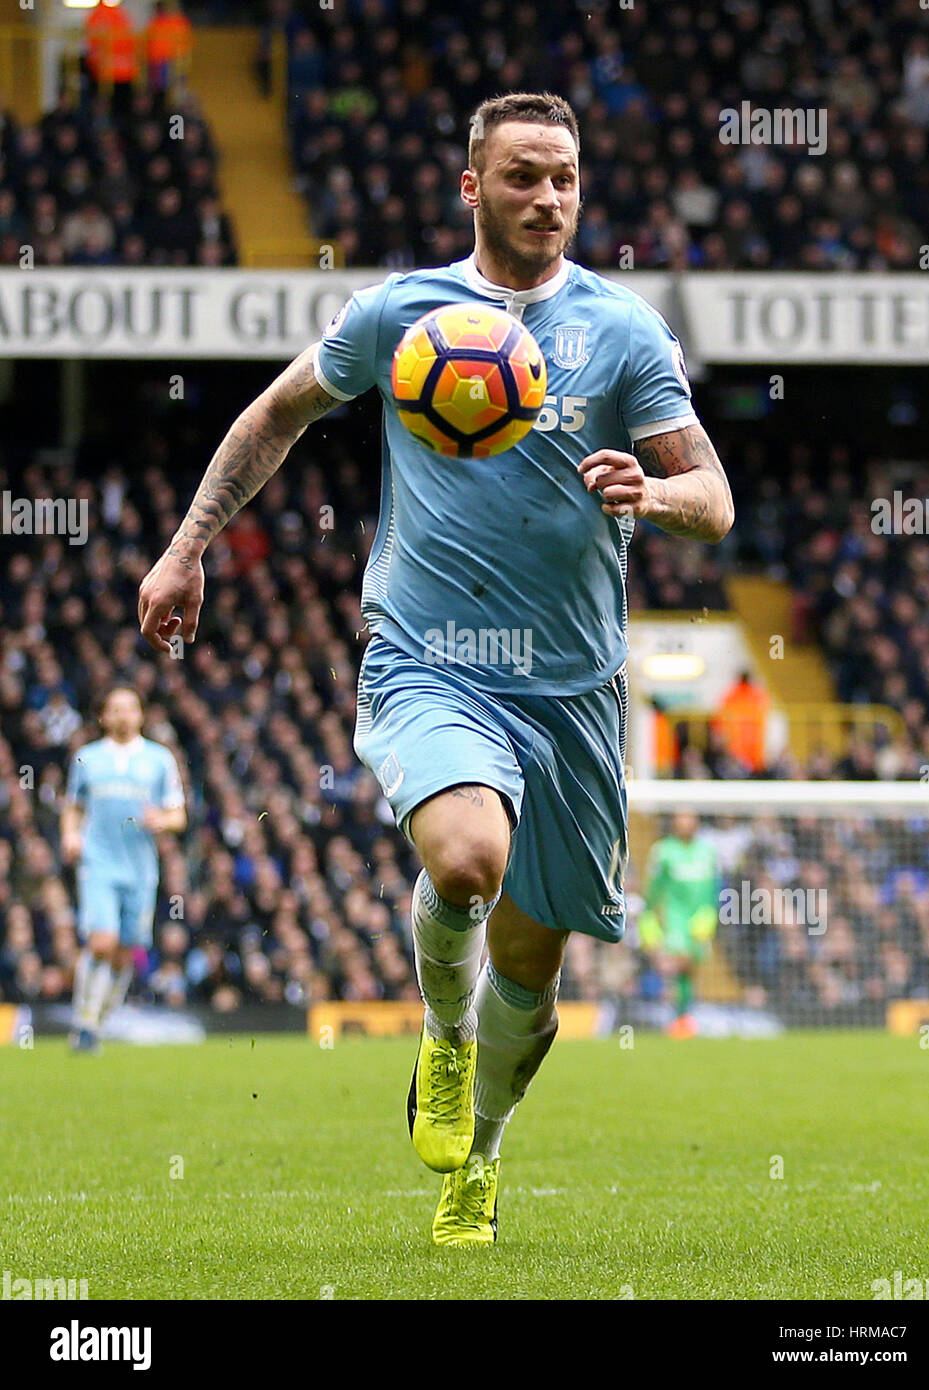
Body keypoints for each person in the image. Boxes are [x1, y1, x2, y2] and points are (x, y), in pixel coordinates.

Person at [138, 92, 733, 1245]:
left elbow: (711, 497)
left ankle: (484, 1157)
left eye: (563, 176)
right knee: (467, 860)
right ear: (471, 186)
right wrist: (186, 545)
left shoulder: (623, 333)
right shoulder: (404, 315)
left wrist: (652, 494)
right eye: (521, 176)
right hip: (431, 659)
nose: (548, 198)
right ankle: (445, 1041)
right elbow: (277, 413)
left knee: (534, 979)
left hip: (574, 691)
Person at [62, 687, 187, 1052]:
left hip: (140, 867)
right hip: (98, 862)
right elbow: (73, 806)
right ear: (103, 716)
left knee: (125, 949)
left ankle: (97, 1024)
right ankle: (83, 1023)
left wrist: (162, 820)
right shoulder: (87, 758)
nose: (122, 715)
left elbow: (178, 814)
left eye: (130, 708)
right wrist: (71, 835)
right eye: (115, 709)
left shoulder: (159, 758)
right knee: (101, 942)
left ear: (141, 715)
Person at [639, 811, 719, 1037]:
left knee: (689, 970)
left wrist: (711, 915)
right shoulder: (664, 851)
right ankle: (678, 1016)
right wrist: (651, 917)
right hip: (675, 917)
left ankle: (683, 1017)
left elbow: (715, 887)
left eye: (689, 817)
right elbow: (654, 889)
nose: (685, 822)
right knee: (678, 964)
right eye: (681, 818)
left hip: (701, 919)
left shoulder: (707, 851)